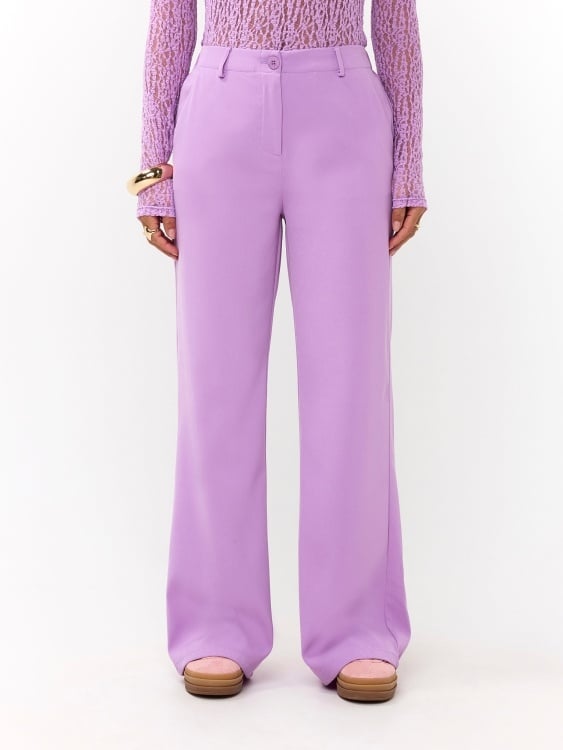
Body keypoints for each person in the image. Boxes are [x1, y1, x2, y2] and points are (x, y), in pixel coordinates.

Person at [127, 0, 427, 702]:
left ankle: (356, 626)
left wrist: (409, 160)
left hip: (344, 108)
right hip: (219, 107)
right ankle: (214, 621)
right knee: (215, 381)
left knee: (350, 382)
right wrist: (152, 166)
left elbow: (396, 19)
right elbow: (171, 17)